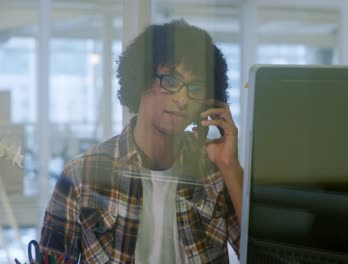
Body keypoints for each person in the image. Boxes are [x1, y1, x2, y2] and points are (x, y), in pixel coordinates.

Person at [40, 20, 243, 263]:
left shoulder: (214, 170)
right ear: (141, 80)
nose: (182, 99)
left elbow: (264, 254)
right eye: (170, 81)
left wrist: (231, 167)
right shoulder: (82, 174)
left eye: (195, 87)